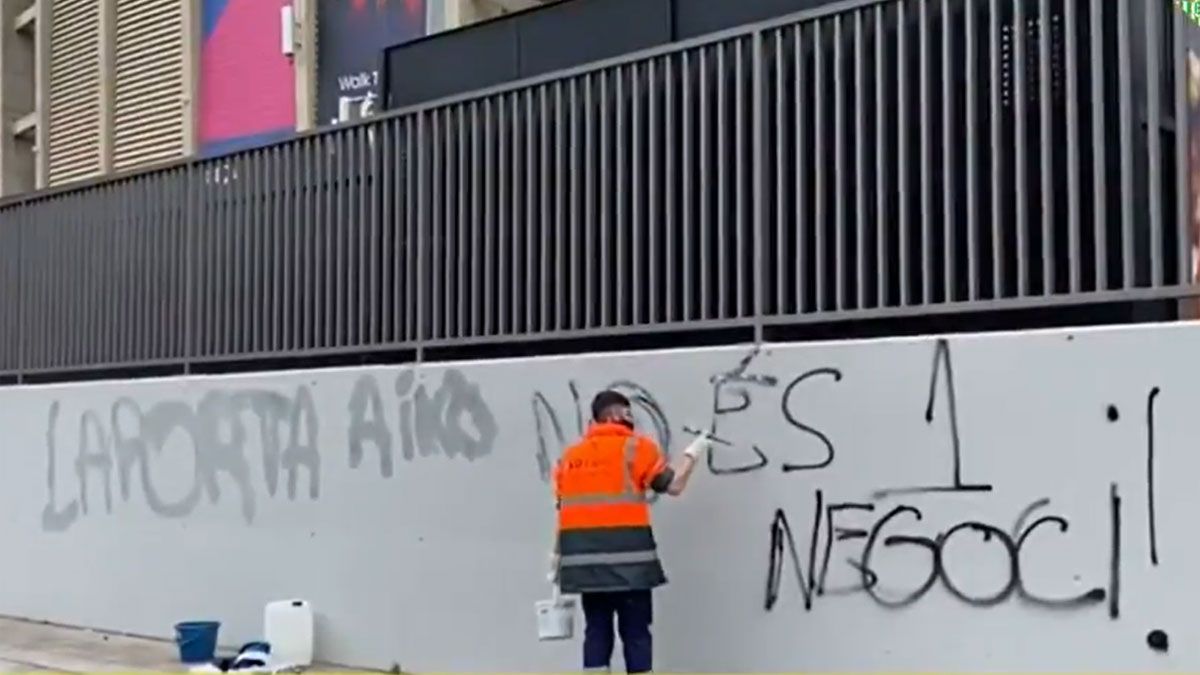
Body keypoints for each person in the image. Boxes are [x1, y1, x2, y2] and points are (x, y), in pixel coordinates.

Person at [549, 389, 709, 673]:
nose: (631, 418)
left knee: (596, 633)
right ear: (614, 415)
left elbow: (563, 509)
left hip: (586, 568)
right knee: (635, 634)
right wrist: (693, 453)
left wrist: (556, 558)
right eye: (627, 412)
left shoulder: (569, 458)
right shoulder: (637, 448)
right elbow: (674, 486)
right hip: (630, 568)